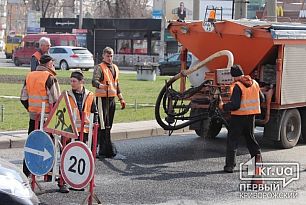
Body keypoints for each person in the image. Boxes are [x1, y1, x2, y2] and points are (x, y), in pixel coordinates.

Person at [20, 54, 69, 193]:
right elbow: (55, 102)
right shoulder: (50, 78)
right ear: (48, 64)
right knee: (55, 148)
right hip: (48, 119)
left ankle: (24, 178)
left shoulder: (29, 75)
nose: (53, 66)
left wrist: (31, 110)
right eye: (53, 63)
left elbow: (23, 98)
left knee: (31, 147)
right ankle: (60, 182)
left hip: (34, 118)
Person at [218, 64, 265, 173]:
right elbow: (262, 98)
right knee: (250, 139)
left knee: (232, 141)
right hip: (251, 116)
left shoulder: (237, 86)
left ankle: (230, 166)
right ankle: (257, 164)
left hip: (238, 117)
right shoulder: (255, 83)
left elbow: (235, 105)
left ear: (233, 76)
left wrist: (223, 106)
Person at [92, 47, 126, 159]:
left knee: (109, 125)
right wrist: (102, 86)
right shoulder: (99, 68)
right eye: (107, 56)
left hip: (111, 99)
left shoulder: (115, 68)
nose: (109, 58)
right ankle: (99, 149)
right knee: (102, 125)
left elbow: (116, 84)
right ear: (103, 56)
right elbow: (94, 81)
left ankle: (106, 148)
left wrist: (121, 98)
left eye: (111, 55)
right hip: (102, 99)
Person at [67, 71, 98, 140]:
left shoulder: (90, 95)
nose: (72, 83)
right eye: (71, 81)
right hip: (72, 131)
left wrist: (94, 125)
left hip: (85, 131)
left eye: (74, 81)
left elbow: (95, 112)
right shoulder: (67, 95)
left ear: (81, 82)